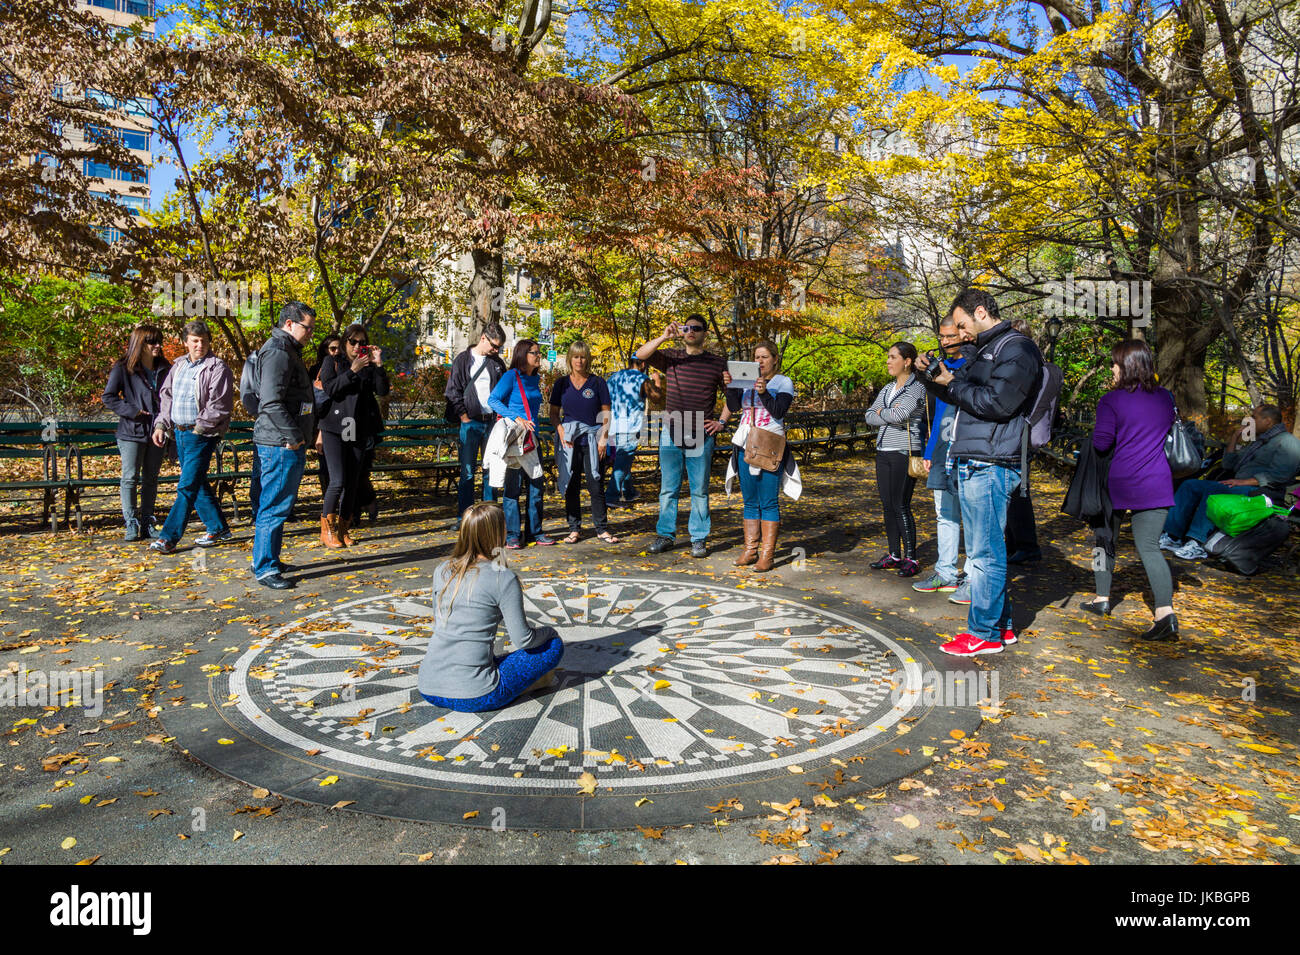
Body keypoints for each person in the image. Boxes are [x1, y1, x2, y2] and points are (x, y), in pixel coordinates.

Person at [917, 289, 1044, 657]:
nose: (958, 333)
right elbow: (956, 396)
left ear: (981, 312)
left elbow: (997, 402)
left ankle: (983, 633)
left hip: (991, 461)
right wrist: (930, 377)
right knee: (986, 551)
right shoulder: (985, 351)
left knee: (984, 554)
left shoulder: (1016, 349)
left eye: (961, 324)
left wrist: (952, 383)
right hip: (975, 457)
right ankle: (1001, 628)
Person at [417, 502, 564, 712]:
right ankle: (522, 685)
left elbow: (441, 622)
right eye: (505, 525)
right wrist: (550, 632)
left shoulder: (442, 570)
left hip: (428, 687)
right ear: (498, 532)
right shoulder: (504, 579)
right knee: (553, 646)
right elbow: (524, 640)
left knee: (494, 657)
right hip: (476, 695)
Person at [1084, 340, 1180, 640]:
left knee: (1104, 538)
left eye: (1114, 363)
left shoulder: (1111, 401)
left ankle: (1102, 599)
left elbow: (1101, 443)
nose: (1112, 368)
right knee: (1150, 547)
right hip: (1156, 480)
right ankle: (1165, 613)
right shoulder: (1166, 397)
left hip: (1119, 481)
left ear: (1126, 365)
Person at [636, 314, 730, 557]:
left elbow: (733, 396)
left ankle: (698, 538)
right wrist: (664, 336)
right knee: (668, 488)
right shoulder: (671, 357)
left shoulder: (718, 363)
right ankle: (665, 535)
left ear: (704, 334)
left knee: (699, 490)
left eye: (696, 328)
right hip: (671, 431)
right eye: (687, 328)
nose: (691, 332)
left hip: (702, 433)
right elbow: (640, 354)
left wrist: (721, 421)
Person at [1161, 403, 1300, 561]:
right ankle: (1172, 536)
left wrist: (1242, 482)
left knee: (1215, 490)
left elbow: (1279, 476)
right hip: (1240, 484)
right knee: (1190, 485)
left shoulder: (1288, 443)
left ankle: (1197, 543)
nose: (1250, 420)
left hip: (1263, 492)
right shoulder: (1258, 442)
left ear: (1268, 421)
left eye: (1254, 417)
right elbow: (1229, 464)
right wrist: (1235, 438)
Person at [149, 321, 234, 554]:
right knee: (196, 482)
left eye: (204, 341)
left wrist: (200, 428)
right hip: (178, 433)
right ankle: (218, 528)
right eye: (195, 341)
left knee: (186, 486)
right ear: (186, 342)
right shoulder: (178, 366)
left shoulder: (217, 368)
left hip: (201, 435)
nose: (200, 345)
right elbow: (166, 397)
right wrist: (161, 425)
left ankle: (168, 538)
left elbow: (220, 405)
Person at [250, 302, 317, 589]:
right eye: (307, 328)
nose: (311, 334)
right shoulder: (278, 351)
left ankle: (268, 559)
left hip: (283, 439)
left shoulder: (286, 349)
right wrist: (294, 436)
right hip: (280, 442)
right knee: (274, 505)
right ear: (289, 324)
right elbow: (271, 402)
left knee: (278, 503)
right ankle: (265, 567)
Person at [724, 339, 795, 571]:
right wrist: (730, 386)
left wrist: (764, 391)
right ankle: (750, 550)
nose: (760, 361)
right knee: (750, 500)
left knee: (769, 501)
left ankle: (767, 555)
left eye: (765, 357)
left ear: (775, 359)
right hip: (745, 443)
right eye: (756, 357)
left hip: (769, 444)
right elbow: (734, 406)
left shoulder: (783, 382)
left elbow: (778, 410)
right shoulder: (746, 381)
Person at [317, 323, 390, 548]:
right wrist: (353, 370)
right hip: (334, 428)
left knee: (352, 483)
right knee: (337, 480)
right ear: (345, 342)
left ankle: (343, 529)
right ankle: (326, 531)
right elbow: (331, 389)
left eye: (362, 343)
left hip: (358, 429)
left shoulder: (368, 366)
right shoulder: (333, 362)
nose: (357, 346)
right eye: (353, 342)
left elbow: (382, 391)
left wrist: (378, 365)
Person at [913, 317, 968, 595]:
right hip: (941, 447)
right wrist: (930, 449)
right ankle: (945, 572)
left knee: (970, 517)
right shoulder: (939, 368)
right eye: (942, 337)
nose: (946, 342)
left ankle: (970, 577)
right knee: (944, 514)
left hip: (969, 448)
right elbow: (938, 415)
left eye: (951, 336)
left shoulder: (976, 365)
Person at [863, 342, 928, 578]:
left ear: (907, 361)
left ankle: (911, 557)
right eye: (888, 357)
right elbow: (869, 416)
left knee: (901, 504)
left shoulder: (917, 388)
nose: (888, 361)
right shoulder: (888, 388)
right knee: (887, 506)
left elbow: (901, 414)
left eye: (893, 357)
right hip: (883, 451)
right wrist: (883, 414)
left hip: (905, 451)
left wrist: (882, 413)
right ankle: (894, 555)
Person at [102, 324, 170, 541]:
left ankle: (148, 521)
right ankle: (131, 522)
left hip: (158, 431)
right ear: (140, 343)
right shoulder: (123, 367)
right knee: (130, 477)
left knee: (151, 478)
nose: (157, 346)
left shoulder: (165, 367)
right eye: (152, 342)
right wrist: (132, 411)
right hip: (132, 431)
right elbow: (109, 397)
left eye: (159, 341)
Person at [549, 340, 618, 543]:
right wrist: (560, 431)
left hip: (592, 439)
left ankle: (601, 529)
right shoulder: (561, 383)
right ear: (570, 358)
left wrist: (603, 439)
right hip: (569, 440)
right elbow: (553, 413)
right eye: (576, 356)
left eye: (583, 356)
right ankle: (574, 528)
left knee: (595, 483)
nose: (579, 360)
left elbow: (606, 413)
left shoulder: (597, 383)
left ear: (587, 358)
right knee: (571, 484)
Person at [489, 339, 553, 548]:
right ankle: (513, 535)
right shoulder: (511, 376)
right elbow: (493, 400)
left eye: (539, 353)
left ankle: (535, 532)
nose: (539, 356)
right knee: (513, 487)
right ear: (523, 354)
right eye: (534, 353)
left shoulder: (535, 379)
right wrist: (516, 417)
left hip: (531, 439)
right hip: (515, 439)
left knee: (536, 486)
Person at [445, 324, 506, 526]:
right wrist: (464, 418)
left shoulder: (496, 363)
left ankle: (490, 516)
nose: (496, 351)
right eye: (494, 346)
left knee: (491, 469)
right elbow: (453, 391)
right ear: (483, 338)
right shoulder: (463, 360)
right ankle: (465, 517)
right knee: (468, 471)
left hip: (492, 423)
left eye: (499, 347)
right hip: (470, 423)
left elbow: (504, 391)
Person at [1004, 318, 1043, 565]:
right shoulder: (1030, 359)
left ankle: (1026, 546)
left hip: (1020, 434)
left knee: (1018, 491)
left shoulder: (1024, 360)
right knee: (1013, 490)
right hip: (1019, 434)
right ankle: (1016, 544)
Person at [606, 355, 650, 507]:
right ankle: (612, 496)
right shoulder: (642, 378)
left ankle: (629, 491)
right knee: (623, 460)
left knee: (622, 459)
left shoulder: (614, 377)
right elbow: (655, 396)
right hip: (630, 426)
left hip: (612, 424)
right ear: (643, 363)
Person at [308, 335, 342, 500]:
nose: (336, 352)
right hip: (323, 423)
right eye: (332, 348)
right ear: (324, 350)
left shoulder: (347, 368)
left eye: (339, 348)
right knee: (325, 467)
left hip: (344, 423)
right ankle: (329, 505)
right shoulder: (316, 370)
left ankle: (343, 506)